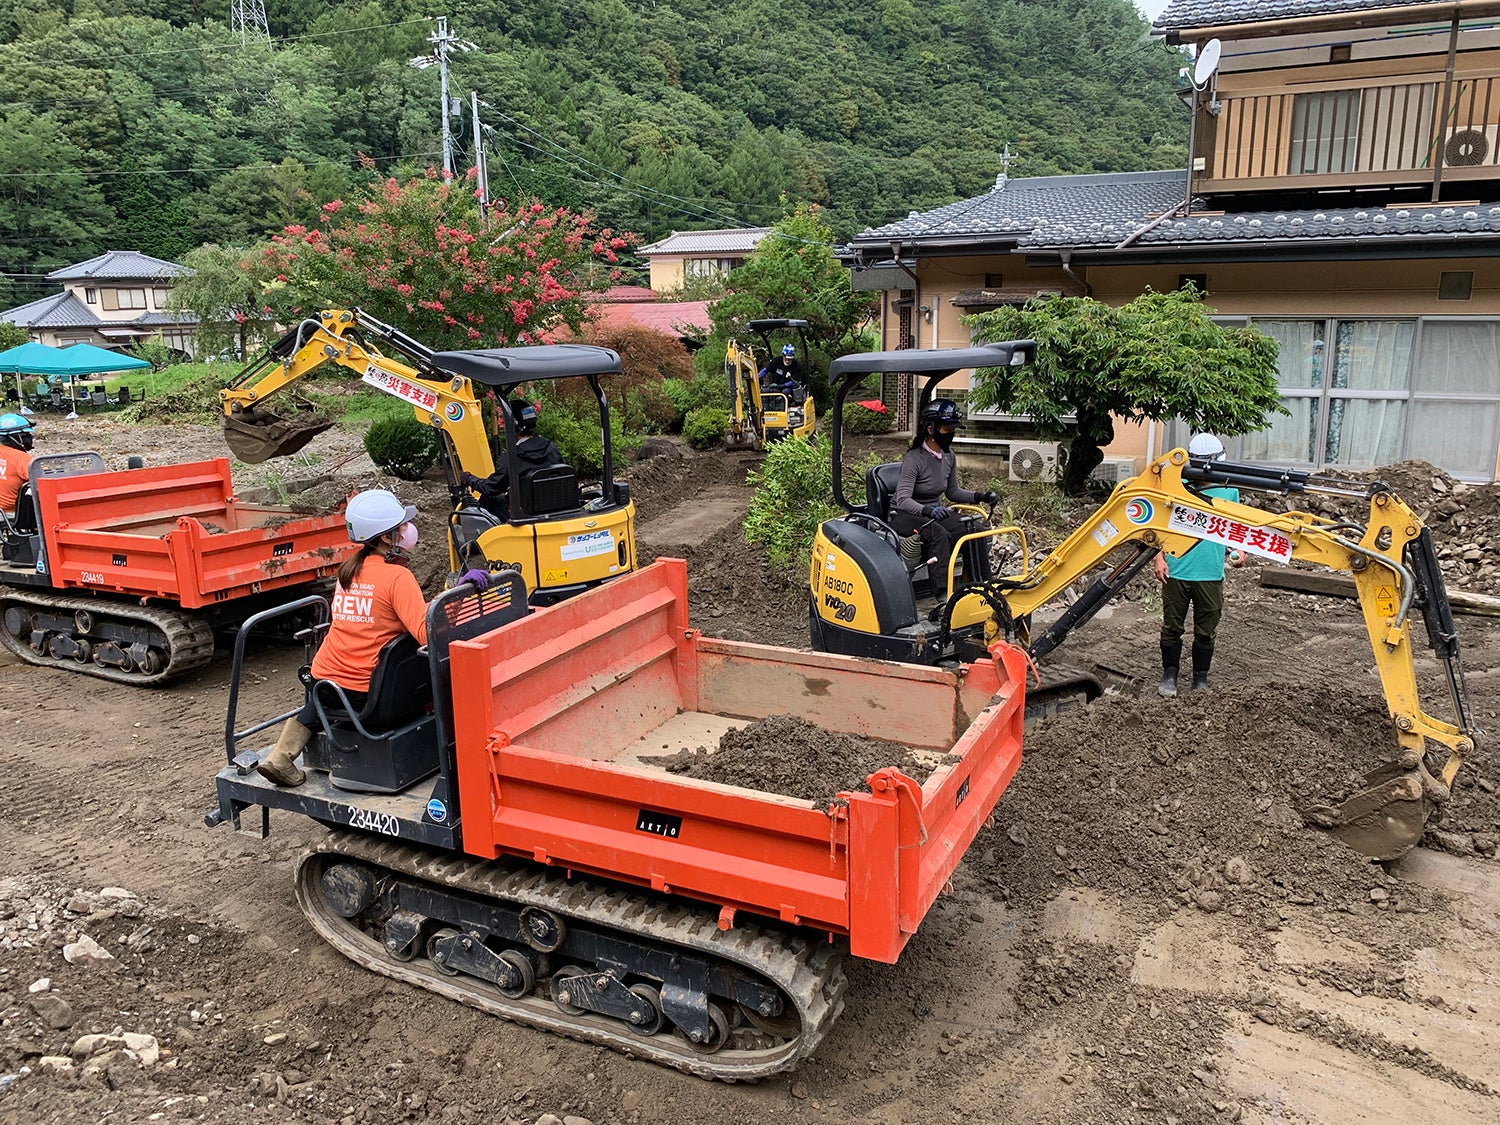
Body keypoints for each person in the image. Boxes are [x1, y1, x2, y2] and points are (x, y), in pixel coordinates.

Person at [257, 489, 490, 787]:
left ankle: (280, 756)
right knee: (431, 660)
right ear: (386, 538)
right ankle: (458, 744)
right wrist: (456, 595)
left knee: (341, 678)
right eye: (402, 526)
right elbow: (427, 632)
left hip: (323, 686)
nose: (408, 530)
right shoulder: (397, 577)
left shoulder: (348, 570)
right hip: (370, 699)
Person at [1153, 433, 1244, 697]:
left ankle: (1200, 678)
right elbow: (1159, 524)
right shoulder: (1175, 486)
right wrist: (1159, 557)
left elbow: (1236, 528)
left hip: (1210, 572)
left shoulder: (1229, 490)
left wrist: (1239, 550)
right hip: (1177, 569)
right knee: (1172, 627)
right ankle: (1169, 674)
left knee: (1206, 631)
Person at [889, 398, 997, 573]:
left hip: (933, 514)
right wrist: (928, 510)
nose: (951, 434)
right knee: (939, 535)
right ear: (930, 429)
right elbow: (902, 500)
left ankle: (979, 581)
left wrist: (980, 497)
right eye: (947, 429)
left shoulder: (948, 456)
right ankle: (941, 588)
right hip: (904, 515)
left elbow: (952, 492)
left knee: (975, 530)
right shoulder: (914, 459)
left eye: (953, 430)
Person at [461, 398, 564, 519]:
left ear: (513, 426)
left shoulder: (513, 456)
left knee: (488, 499)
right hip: (556, 507)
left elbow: (490, 487)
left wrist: (470, 479)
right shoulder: (551, 448)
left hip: (526, 514)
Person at [0, 413, 35, 516]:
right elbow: (44, 478)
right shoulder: (22, 458)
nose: (30, 437)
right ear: (17, 437)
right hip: (12, 515)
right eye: (27, 435)